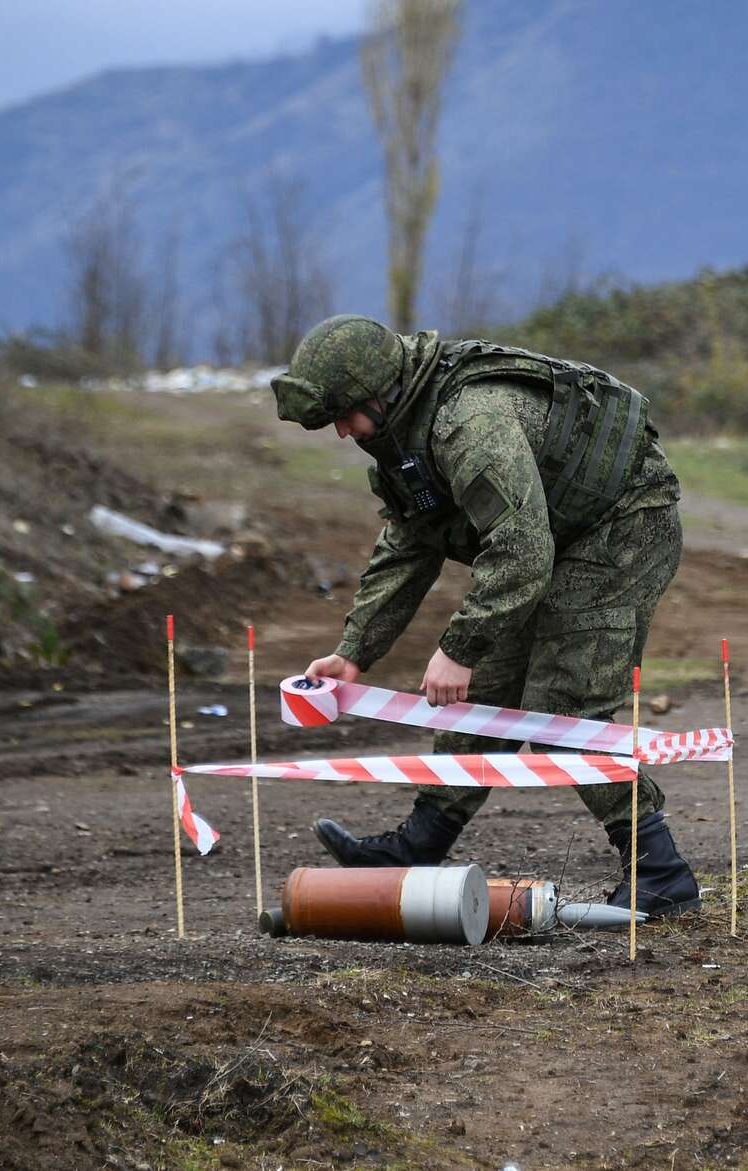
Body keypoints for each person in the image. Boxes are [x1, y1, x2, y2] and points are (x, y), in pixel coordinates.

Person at [271, 314, 700, 915]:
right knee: (485, 700)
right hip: (556, 534)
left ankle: (660, 871)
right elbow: (408, 545)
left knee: (563, 711)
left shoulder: (469, 423)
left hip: (621, 528)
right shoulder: (403, 437)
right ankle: (420, 845)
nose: (342, 432)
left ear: (380, 393)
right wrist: (354, 651)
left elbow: (522, 553)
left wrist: (460, 647)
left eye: (345, 415)